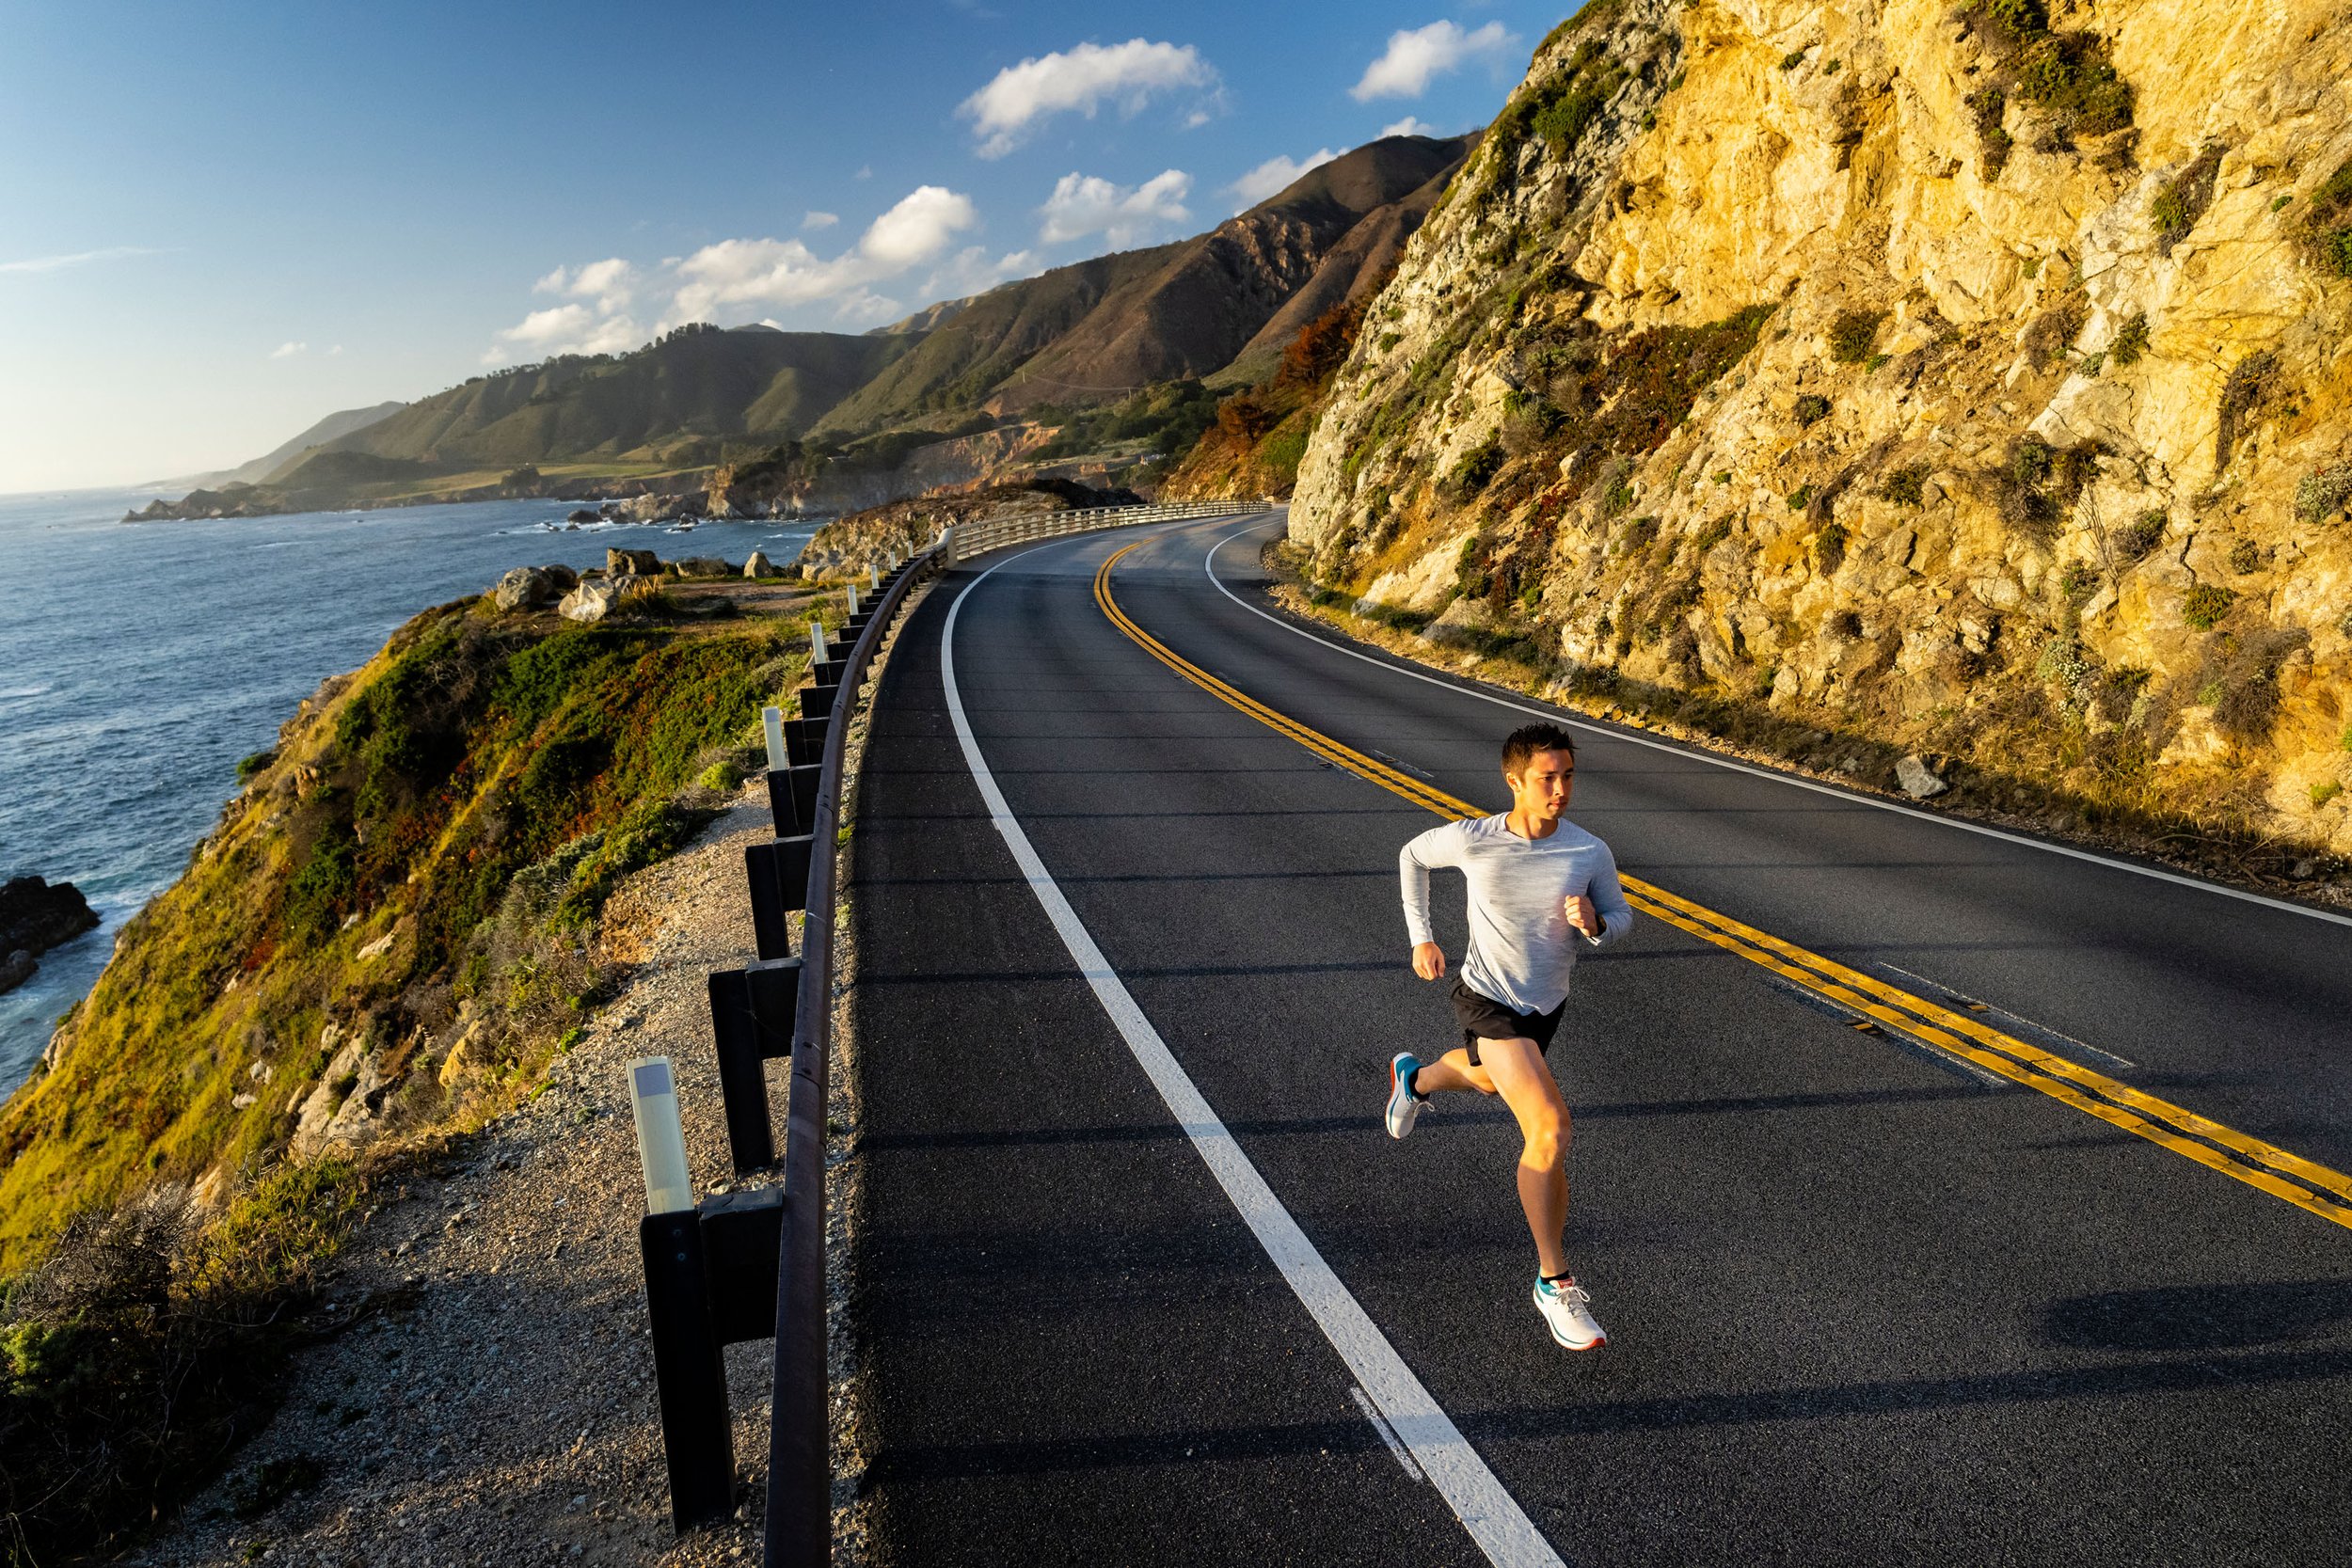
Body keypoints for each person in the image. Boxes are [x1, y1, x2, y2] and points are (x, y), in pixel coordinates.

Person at [1385, 721, 1632, 1351]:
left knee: (1488, 1081)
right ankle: (1555, 1281)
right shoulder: (1475, 838)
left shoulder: (1588, 851)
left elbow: (1622, 918)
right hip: (1486, 997)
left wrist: (1596, 920)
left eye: (1569, 774)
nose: (1561, 788)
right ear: (1515, 780)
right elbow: (1413, 854)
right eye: (1548, 777)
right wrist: (1421, 935)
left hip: (1545, 1006)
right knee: (1549, 1127)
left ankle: (1412, 1078)